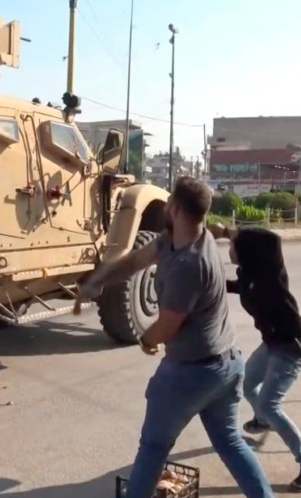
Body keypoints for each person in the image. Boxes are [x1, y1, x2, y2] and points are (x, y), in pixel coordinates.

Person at [77, 177, 274, 498]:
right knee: (230, 442)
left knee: (153, 448)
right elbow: (134, 261)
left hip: (192, 373)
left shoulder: (188, 264)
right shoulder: (187, 238)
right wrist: (96, 282)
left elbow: (167, 326)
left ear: (175, 208)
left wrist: (147, 339)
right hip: (227, 366)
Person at [219, 226, 301, 492]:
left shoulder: (270, 276)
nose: (230, 249)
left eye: (234, 246)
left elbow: (272, 238)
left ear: (248, 251)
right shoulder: (249, 276)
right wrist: (212, 283)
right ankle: (265, 419)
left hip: (291, 348)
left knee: (270, 404)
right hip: (272, 344)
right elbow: (236, 287)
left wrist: (226, 230)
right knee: (245, 383)